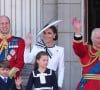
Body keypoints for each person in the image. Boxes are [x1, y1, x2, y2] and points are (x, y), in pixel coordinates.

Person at [24, 20, 64, 89]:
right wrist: (27, 46)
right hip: (38, 80)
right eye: (44, 33)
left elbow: (61, 68)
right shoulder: (37, 46)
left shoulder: (60, 50)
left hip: (52, 80)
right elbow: (27, 60)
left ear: (54, 35)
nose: (46, 35)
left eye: (49, 33)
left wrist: (59, 84)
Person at [72, 17, 100, 90]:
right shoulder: (87, 50)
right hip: (89, 86)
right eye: (98, 38)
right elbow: (78, 48)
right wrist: (78, 31)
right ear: (92, 38)